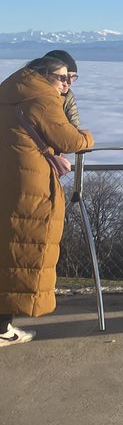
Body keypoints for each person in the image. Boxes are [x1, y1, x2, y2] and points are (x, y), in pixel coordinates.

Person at [1, 56, 95, 347]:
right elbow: (70, 139)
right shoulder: (43, 97)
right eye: (61, 77)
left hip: (7, 180)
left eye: (71, 78)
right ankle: (3, 328)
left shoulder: (8, 90)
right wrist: (87, 138)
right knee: (22, 253)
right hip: (30, 187)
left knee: (6, 251)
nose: (66, 83)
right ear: (42, 75)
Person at [44, 50, 81, 128]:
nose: (70, 82)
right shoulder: (35, 96)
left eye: (73, 77)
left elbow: (75, 127)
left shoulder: (68, 96)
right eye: (65, 77)